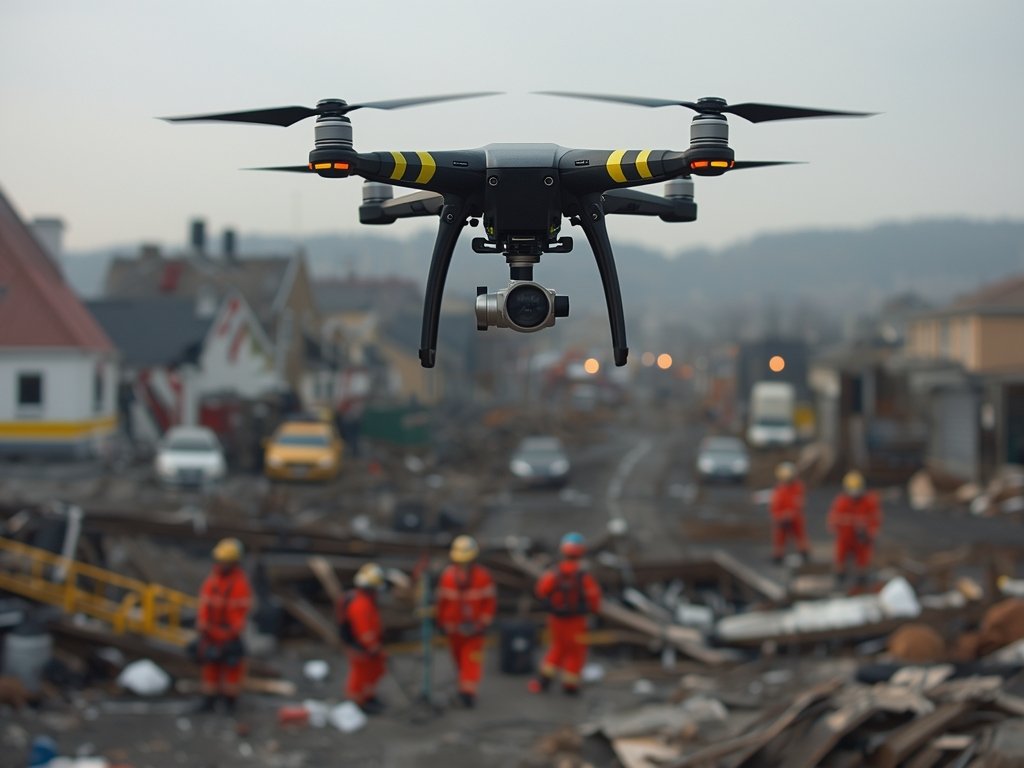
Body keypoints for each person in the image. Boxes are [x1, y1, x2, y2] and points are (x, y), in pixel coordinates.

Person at [529, 532, 602, 696]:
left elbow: (541, 591)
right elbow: (594, 598)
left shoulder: (554, 573)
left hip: (556, 619)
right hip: (576, 621)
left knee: (556, 648)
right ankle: (570, 686)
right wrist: (594, 612)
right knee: (576, 652)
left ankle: (543, 681)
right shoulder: (584, 577)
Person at [435, 535, 497, 708]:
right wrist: (441, 623)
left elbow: (489, 603)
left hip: (474, 631)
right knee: (459, 660)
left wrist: (482, 624)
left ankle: (467, 694)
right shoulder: (447, 576)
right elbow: (442, 603)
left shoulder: (483, 577)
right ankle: (463, 687)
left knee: (471, 661)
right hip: (454, 631)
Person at [195, 537, 252, 714]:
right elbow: (204, 604)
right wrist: (203, 625)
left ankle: (230, 704)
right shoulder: (212, 581)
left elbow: (240, 613)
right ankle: (209, 702)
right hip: (211, 634)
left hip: (229, 636)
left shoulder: (239, 584)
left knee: (232, 671)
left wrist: (231, 632)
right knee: (210, 670)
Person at [338, 562, 386, 713]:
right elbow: (364, 631)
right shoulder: (360, 605)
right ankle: (357, 703)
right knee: (360, 675)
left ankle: (368, 697)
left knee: (374, 670)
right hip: (361, 647)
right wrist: (373, 646)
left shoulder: (363, 600)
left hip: (364, 646)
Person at [828, 470, 882, 589]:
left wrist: (869, 534)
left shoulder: (869, 502)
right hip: (845, 538)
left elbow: (875, 520)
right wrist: (836, 528)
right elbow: (833, 519)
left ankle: (861, 581)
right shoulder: (841, 502)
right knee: (840, 558)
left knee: (863, 559)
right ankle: (840, 579)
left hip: (862, 539)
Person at [769, 462, 810, 565]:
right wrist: (781, 517)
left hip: (795, 517)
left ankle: (804, 553)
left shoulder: (798, 487)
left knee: (800, 535)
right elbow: (775, 507)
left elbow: (799, 503)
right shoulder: (779, 490)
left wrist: (790, 514)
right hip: (782, 519)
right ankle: (778, 556)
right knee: (779, 537)